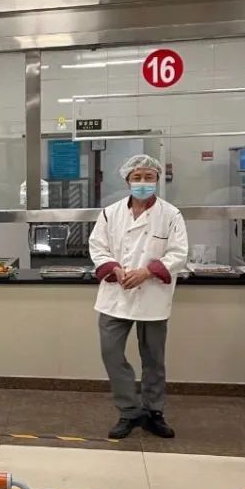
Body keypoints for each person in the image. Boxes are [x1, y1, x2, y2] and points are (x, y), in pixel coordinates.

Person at [89, 154, 188, 440]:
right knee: (111, 352)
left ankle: (154, 412)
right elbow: (97, 246)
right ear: (127, 181)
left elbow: (179, 253)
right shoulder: (110, 213)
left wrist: (147, 272)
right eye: (137, 177)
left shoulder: (171, 215)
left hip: (152, 294)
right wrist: (114, 268)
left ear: (157, 179)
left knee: (153, 358)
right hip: (116, 294)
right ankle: (129, 411)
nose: (143, 182)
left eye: (148, 177)